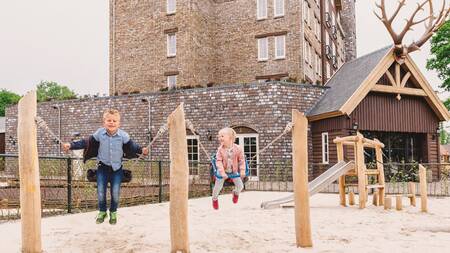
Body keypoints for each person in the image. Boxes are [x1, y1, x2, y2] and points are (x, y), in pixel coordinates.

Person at [63, 109, 148, 224]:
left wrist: (141, 150)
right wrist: (71, 145)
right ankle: (102, 212)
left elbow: (133, 146)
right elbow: (85, 142)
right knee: (101, 192)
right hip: (102, 168)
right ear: (104, 122)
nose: (111, 123)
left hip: (117, 169)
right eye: (109, 120)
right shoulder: (99, 133)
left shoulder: (123, 136)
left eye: (114, 121)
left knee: (115, 193)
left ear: (119, 123)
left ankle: (113, 212)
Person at [211, 127, 245, 210]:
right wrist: (222, 173)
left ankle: (235, 193)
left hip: (233, 171)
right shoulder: (220, 150)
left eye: (222, 136)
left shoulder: (238, 149)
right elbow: (218, 162)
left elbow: (241, 160)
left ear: (230, 137)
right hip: (222, 170)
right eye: (219, 136)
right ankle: (214, 198)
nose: (219, 138)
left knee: (240, 186)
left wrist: (242, 170)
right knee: (218, 187)